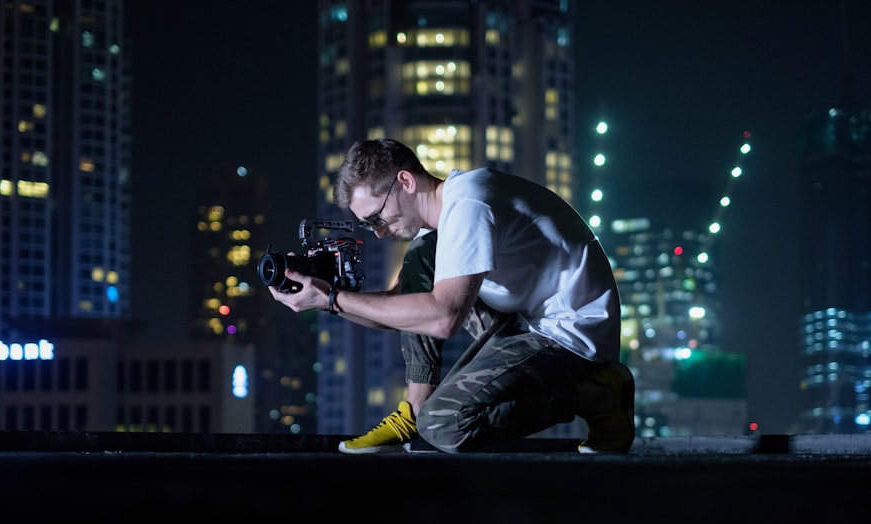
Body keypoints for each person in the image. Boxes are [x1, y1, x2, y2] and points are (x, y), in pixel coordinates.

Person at [267, 138, 635, 454]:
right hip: (528, 323)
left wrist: (334, 300)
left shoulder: (470, 203)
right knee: (420, 258)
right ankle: (413, 409)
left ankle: (599, 395)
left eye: (376, 218)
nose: (378, 233)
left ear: (405, 181)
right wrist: (324, 300)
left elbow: (443, 319)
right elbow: (402, 308)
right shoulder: (439, 228)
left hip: (572, 335)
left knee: (445, 425)